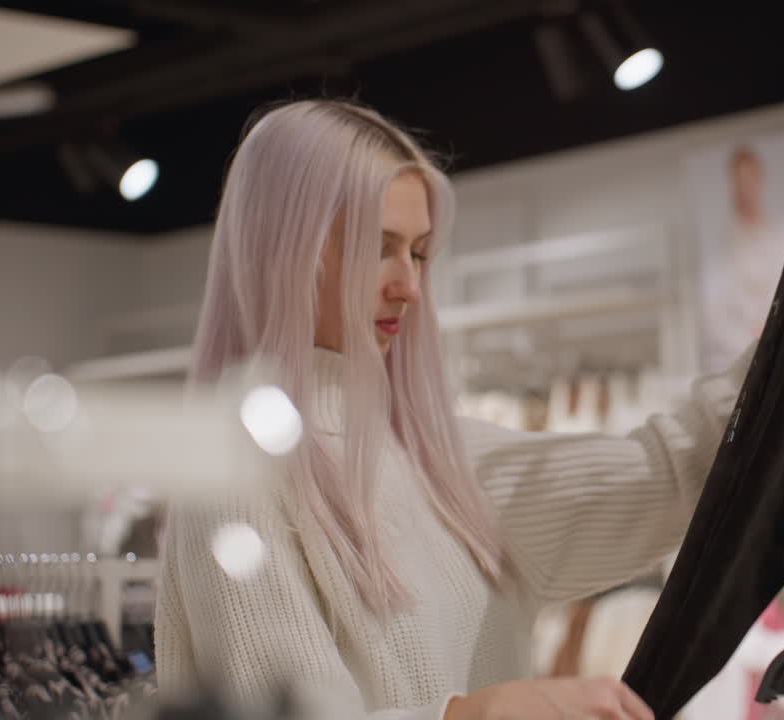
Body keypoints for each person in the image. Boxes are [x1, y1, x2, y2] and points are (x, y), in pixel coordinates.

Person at [155, 99, 752, 720]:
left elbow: (670, 470)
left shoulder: (439, 458)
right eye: (376, 247)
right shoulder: (232, 472)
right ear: (283, 249)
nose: (409, 286)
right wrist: (472, 715)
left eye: (418, 252)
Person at [700, 145, 784, 373]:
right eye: (739, 181)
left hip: (783, 352)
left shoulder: (782, 238)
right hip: (739, 360)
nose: (745, 188)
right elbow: (714, 319)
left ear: (761, 179)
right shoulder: (719, 252)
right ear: (732, 184)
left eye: (750, 179)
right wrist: (754, 342)